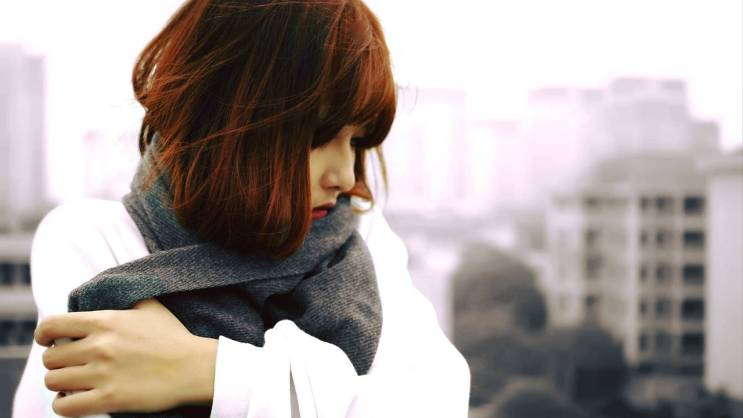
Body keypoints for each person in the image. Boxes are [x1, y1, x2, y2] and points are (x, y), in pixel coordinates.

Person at [13, 0, 471, 417]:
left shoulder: (355, 237)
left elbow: (436, 401)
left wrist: (210, 373)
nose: (346, 177)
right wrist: (328, 392)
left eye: (357, 140)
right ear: (228, 119)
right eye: (316, 137)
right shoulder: (97, 240)